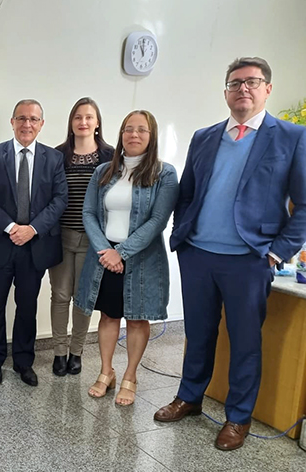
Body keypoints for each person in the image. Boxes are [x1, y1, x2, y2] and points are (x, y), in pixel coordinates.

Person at [154, 57, 306, 450]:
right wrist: (182, 238)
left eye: (252, 82)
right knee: (198, 333)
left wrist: (277, 253)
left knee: (244, 341)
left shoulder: (290, 137)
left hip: (249, 260)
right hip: (199, 255)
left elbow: (304, 205)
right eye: (235, 83)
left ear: (267, 89)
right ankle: (189, 397)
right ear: (225, 92)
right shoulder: (205, 136)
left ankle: (238, 418)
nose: (243, 89)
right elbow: (186, 192)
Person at [75, 110, 178, 406]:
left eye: (141, 130)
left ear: (152, 136)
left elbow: (157, 221)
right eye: (128, 129)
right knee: (108, 315)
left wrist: (121, 252)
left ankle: (130, 376)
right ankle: (106, 372)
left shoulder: (164, 174)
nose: (134, 135)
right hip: (104, 256)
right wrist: (105, 252)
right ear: (120, 135)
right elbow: (89, 214)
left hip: (142, 260)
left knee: (136, 318)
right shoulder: (104, 171)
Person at [0, 99, 68, 386]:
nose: (27, 124)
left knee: (27, 307)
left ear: (41, 125)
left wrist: (33, 229)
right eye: (22, 118)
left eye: (33, 119)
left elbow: (59, 199)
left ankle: (24, 362)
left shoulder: (53, 159)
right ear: (12, 122)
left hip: (33, 248)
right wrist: (12, 226)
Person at [51, 98, 114, 376]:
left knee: (84, 298)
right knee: (60, 295)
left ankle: (77, 352)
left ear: (97, 122)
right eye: (78, 117)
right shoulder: (57, 155)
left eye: (89, 117)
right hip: (61, 236)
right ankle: (58, 352)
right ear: (71, 122)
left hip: (94, 241)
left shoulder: (111, 157)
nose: (83, 122)